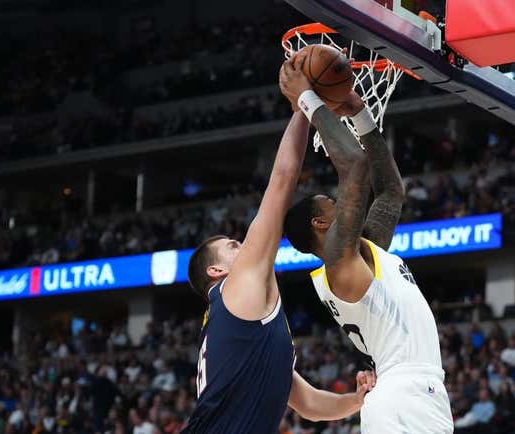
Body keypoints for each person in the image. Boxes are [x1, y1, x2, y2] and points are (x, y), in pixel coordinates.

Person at [183, 58, 376, 434]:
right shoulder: (237, 290)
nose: (247, 245)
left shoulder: (243, 330)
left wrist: (356, 401)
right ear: (216, 272)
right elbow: (283, 179)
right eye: (234, 245)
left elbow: (309, 405)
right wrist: (305, 102)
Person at [280, 55, 453, 433]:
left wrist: (360, 113)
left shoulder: (362, 254)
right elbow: (355, 165)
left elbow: (390, 193)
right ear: (321, 223)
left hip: (416, 392)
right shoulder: (339, 264)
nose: (347, 203)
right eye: (334, 202)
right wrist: (309, 99)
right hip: (404, 396)